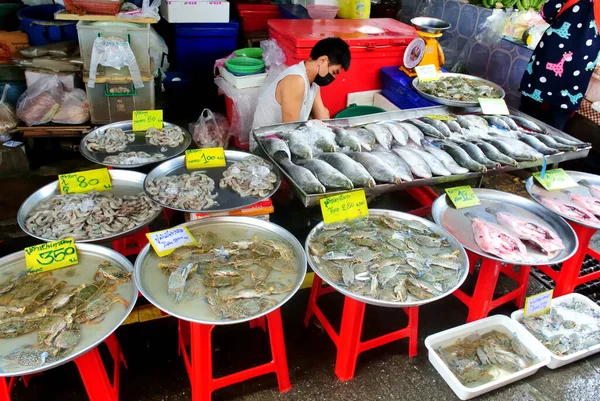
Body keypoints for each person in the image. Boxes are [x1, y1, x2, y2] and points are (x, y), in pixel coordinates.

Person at [519, 0, 600, 130]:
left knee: (525, 117)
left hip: (546, 63)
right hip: (577, 72)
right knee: (555, 126)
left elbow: (547, 11)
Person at [252, 37, 351, 130]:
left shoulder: (314, 81)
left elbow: (322, 117)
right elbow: (290, 129)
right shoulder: (296, 80)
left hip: (285, 134)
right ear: (322, 60)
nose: (333, 78)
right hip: (267, 141)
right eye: (334, 72)